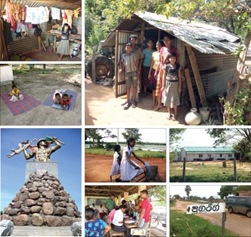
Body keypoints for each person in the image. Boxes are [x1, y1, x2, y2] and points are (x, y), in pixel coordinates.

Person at [155, 35, 179, 111]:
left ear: (170, 41)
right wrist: (156, 71)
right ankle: (159, 104)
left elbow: (177, 62)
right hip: (162, 70)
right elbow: (160, 61)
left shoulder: (174, 50)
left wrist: (180, 74)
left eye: (167, 40)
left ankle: (169, 105)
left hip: (170, 72)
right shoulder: (162, 49)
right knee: (159, 87)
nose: (166, 41)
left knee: (168, 88)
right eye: (164, 40)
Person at [162, 53, 182, 120]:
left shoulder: (178, 66)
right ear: (169, 59)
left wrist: (179, 86)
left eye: (174, 58)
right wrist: (163, 86)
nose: (172, 59)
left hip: (175, 84)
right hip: (168, 84)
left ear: (176, 59)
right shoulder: (166, 66)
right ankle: (169, 113)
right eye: (171, 58)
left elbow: (179, 77)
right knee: (167, 98)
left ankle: (175, 114)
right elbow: (163, 76)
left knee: (175, 98)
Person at [120, 43, 138, 109]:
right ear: (125, 48)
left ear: (131, 48)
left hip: (133, 72)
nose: (128, 49)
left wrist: (137, 72)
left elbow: (136, 64)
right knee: (128, 87)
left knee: (135, 87)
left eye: (129, 47)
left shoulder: (133, 55)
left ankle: (134, 101)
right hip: (127, 73)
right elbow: (122, 65)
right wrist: (121, 72)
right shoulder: (123, 56)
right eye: (127, 47)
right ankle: (128, 101)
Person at [148, 40, 164, 109]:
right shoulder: (154, 53)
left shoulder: (163, 53)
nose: (158, 46)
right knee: (154, 87)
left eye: (159, 45)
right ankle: (154, 101)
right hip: (154, 71)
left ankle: (159, 102)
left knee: (159, 87)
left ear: (162, 46)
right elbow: (152, 63)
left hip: (160, 72)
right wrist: (149, 72)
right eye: (157, 45)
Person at [130, 34, 144, 102]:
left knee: (136, 84)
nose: (132, 41)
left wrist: (140, 67)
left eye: (133, 40)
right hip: (129, 69)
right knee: (130, 84)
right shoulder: (128, 48)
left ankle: (136, 98)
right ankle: (130, 98)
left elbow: (141, 58)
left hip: (136, 69)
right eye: (131, 40)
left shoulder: (138, 50)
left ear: (136, 41)